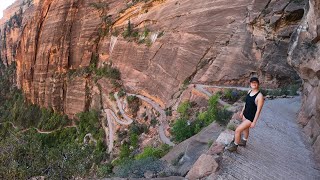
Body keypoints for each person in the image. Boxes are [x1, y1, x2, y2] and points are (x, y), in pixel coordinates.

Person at [226, 77, 264, 152]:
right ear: (250, 84)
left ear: (258, 84)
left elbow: (258, 111)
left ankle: (235, 145)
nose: (254, 84)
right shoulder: (249, 91)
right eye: (252, 82)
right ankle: (244, 141)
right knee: (246, 129)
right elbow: (246, 103)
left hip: (250, 118)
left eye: (255, 82)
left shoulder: (260, 96)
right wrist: (242, 112)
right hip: (245, 115)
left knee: (238, 130)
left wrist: (254, 122)